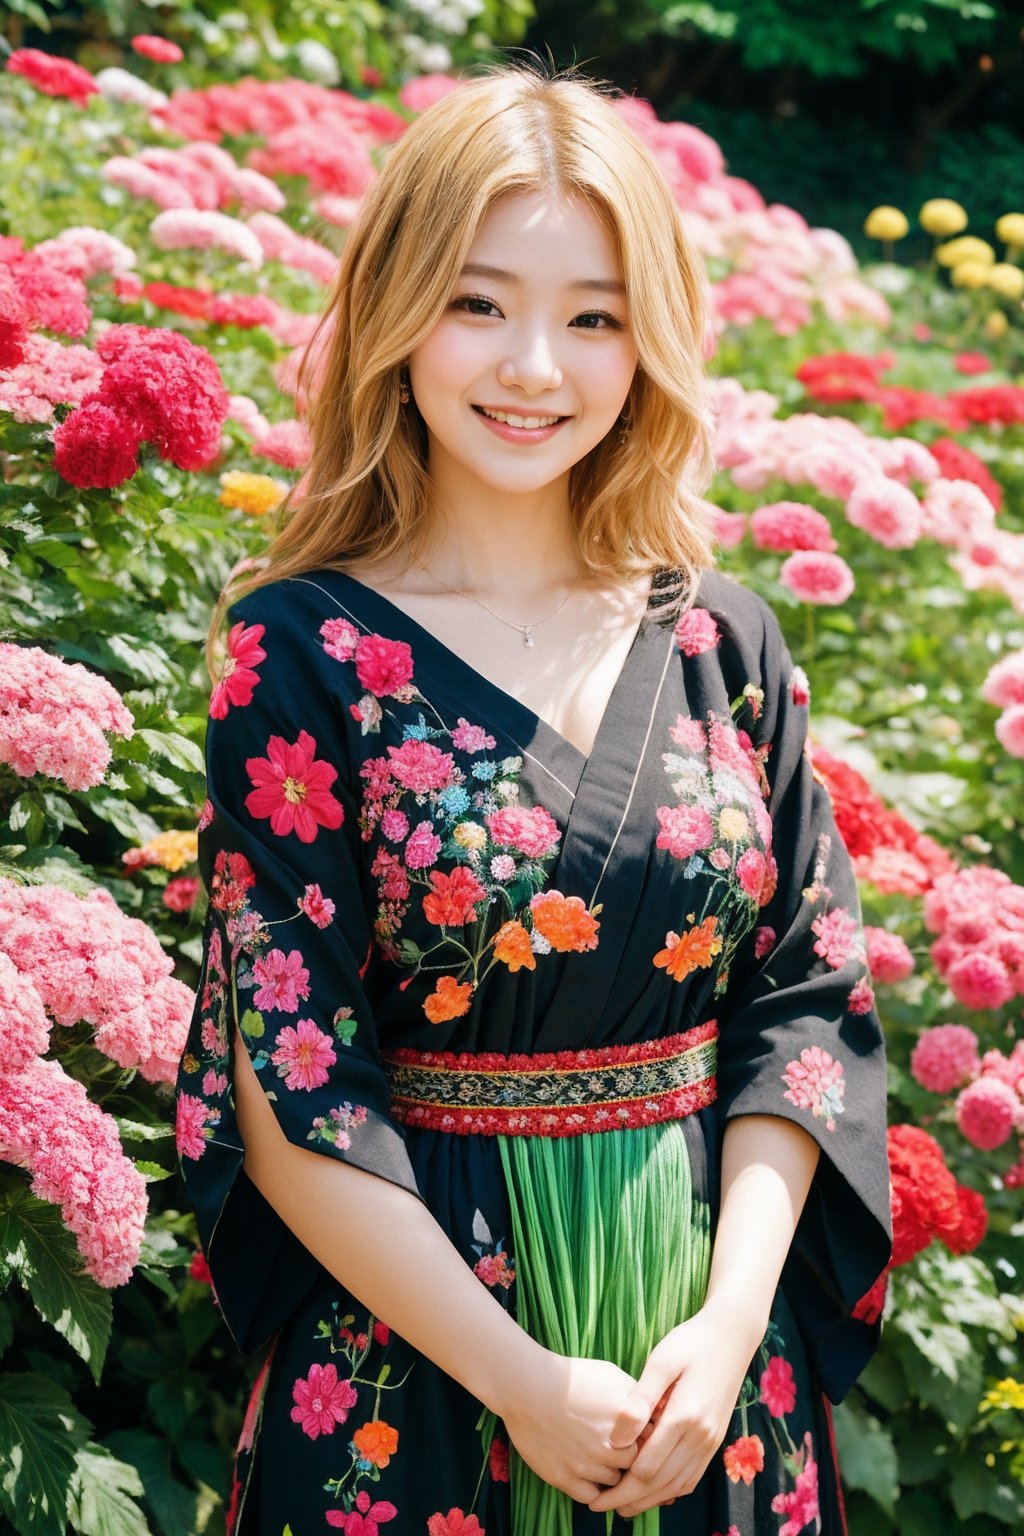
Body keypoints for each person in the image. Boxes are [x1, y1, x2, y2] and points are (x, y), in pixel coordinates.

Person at [176, 64, 892, 1536]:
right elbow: (294, 1081)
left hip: (705, 1385)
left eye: (593, 317)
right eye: (480, 301)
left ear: (651, 342)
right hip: (414, 1374)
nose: (535, 368)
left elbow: (807, 1008)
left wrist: (733, 1321)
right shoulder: (299, 656)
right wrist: (516, 1377)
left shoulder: (723, 638)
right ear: (396, 307)